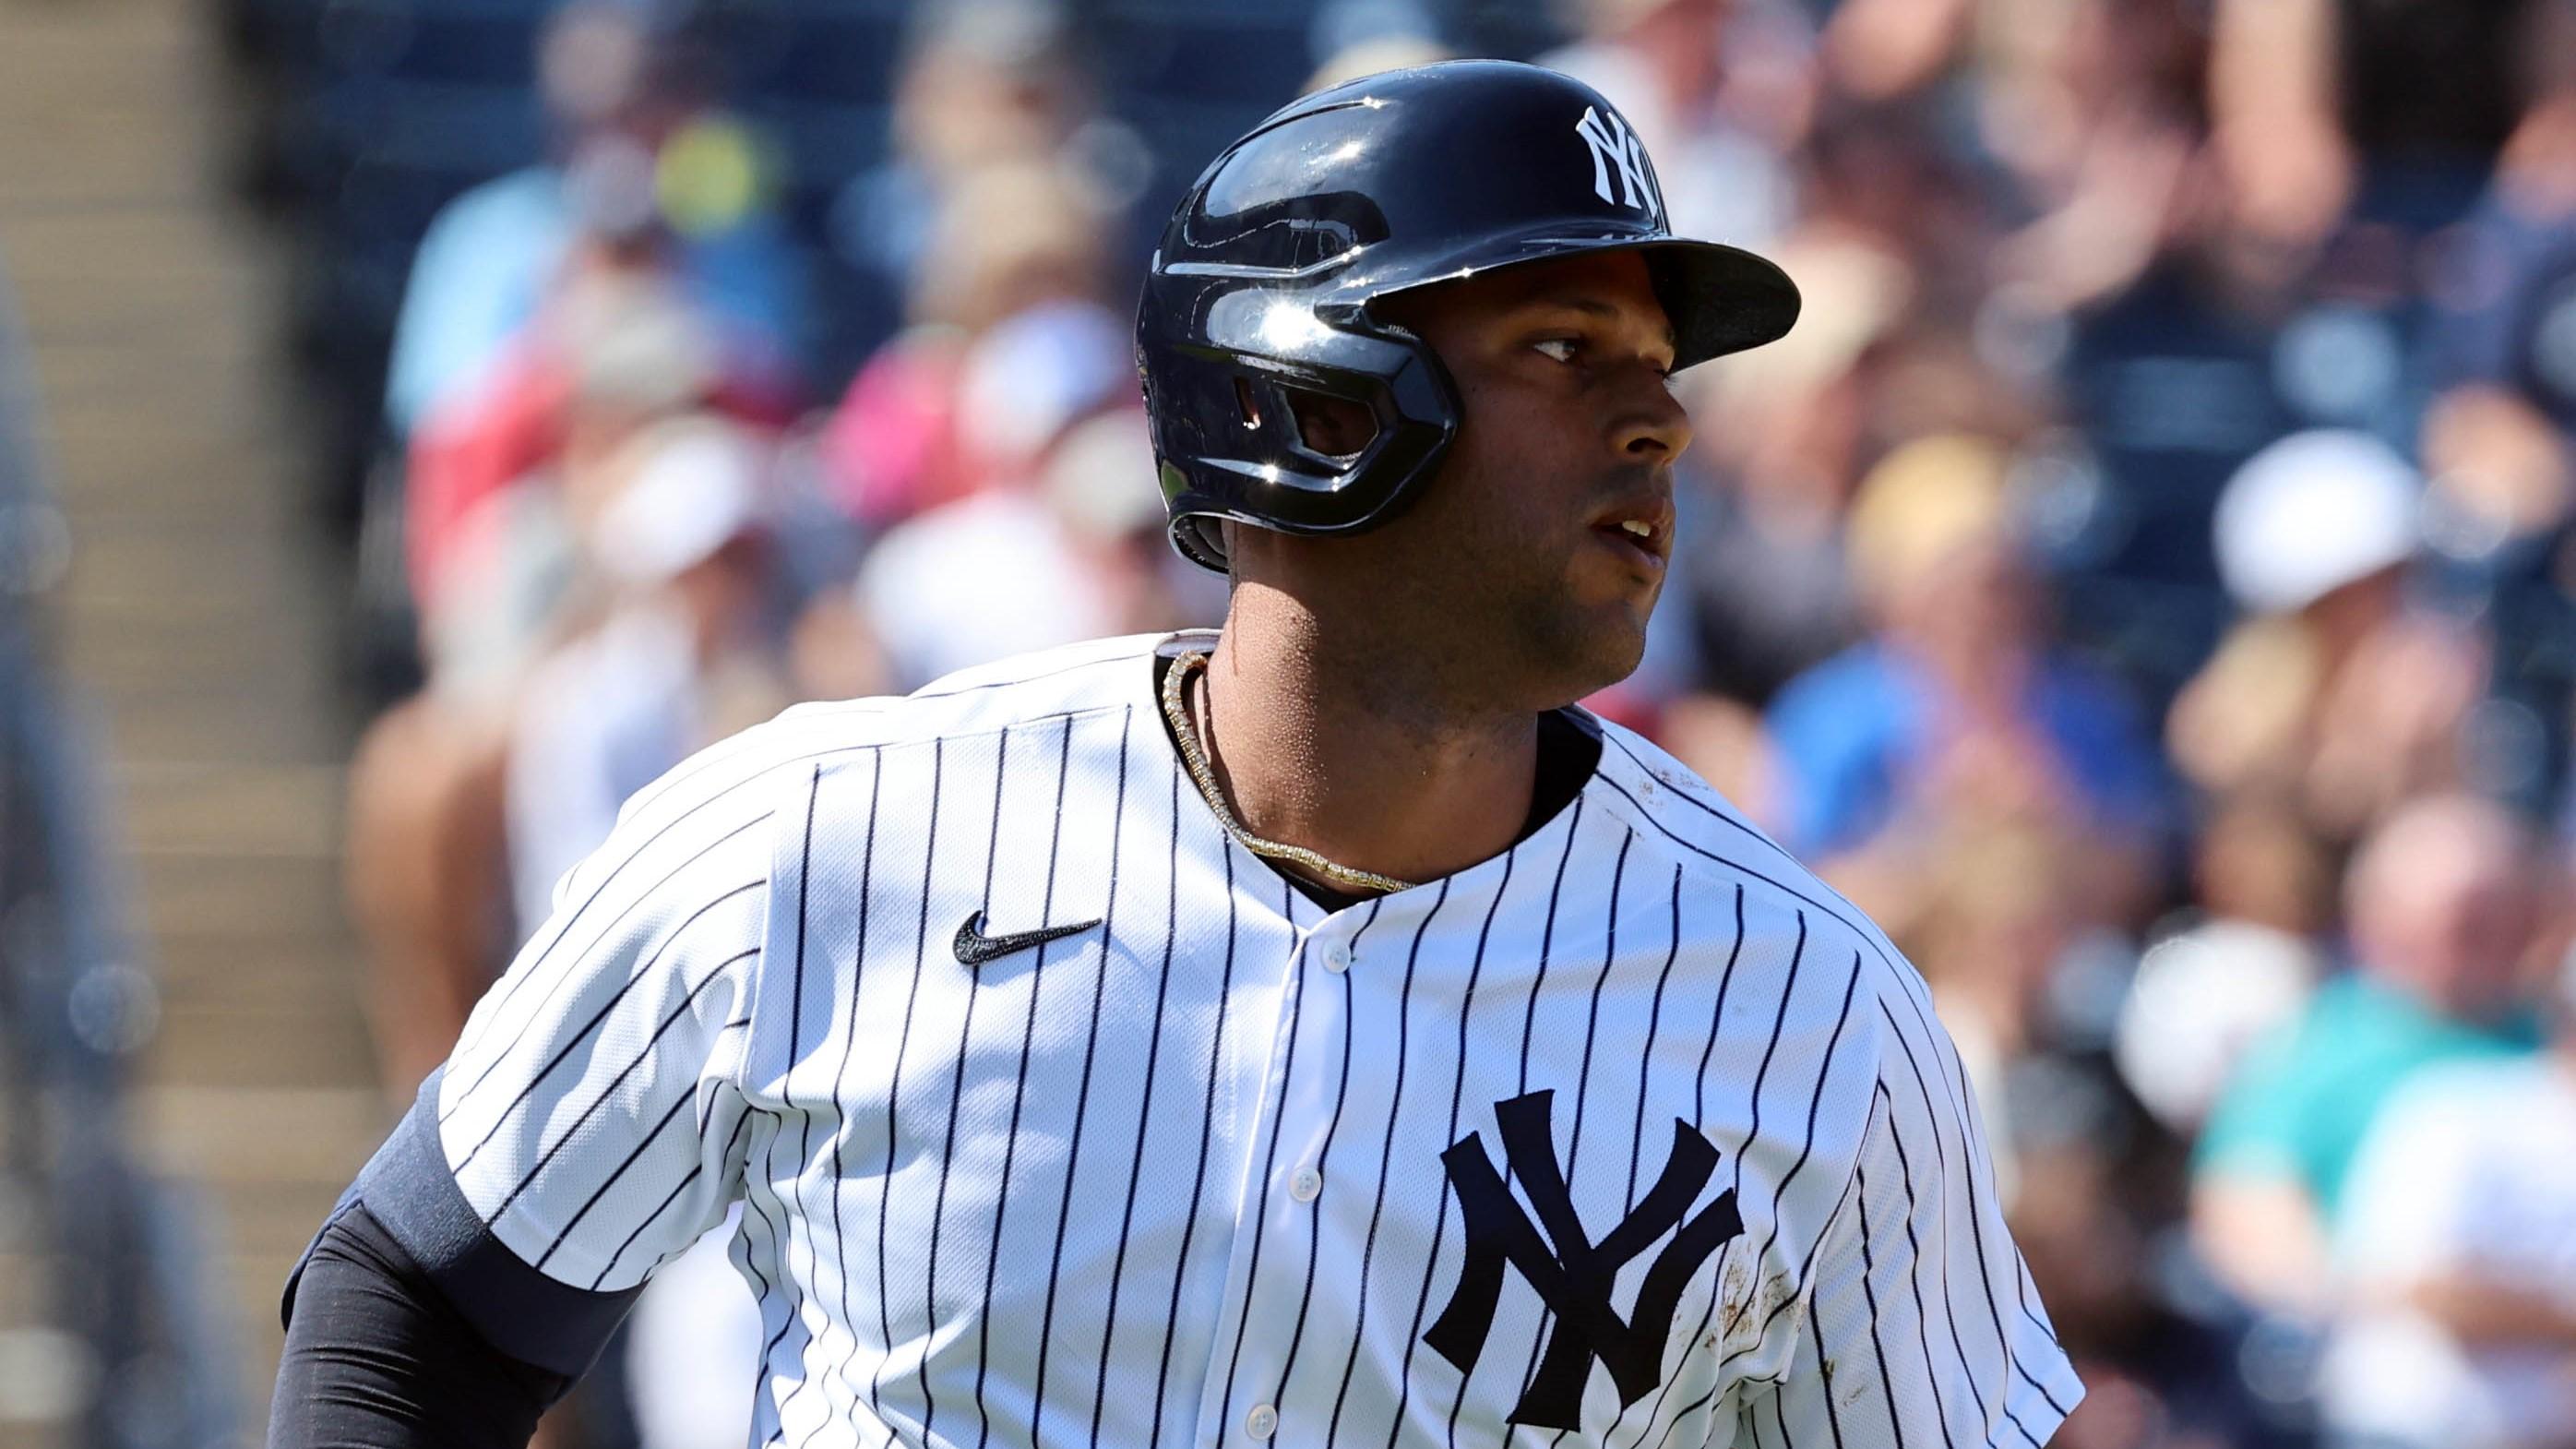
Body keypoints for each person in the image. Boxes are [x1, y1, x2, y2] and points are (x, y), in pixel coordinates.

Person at [269, 62, 2082, 1449]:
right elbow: (409, 1305)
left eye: (1660, 359)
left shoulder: (1808, 1008)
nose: (1657, 414)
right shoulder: (815, 840)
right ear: (1303, 402)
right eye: (1559, 343)